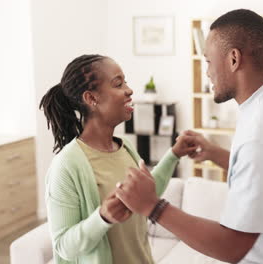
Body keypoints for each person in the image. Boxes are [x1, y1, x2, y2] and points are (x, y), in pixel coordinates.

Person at [115, 9, 263, 264]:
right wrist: (214, 153)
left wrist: (152, 206)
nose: (206, 72)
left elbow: (231, 246)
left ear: (233, 59)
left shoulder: (261, 132)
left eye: (208, 60)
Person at [39, 54, 196, 264]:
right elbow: (64, 246)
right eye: (118, 83)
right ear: (91, 98)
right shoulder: (66, 165)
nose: (129, 90)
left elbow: (147, 195)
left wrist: (174, 154)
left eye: (126, 82)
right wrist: (102, 217)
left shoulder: (125, 147)